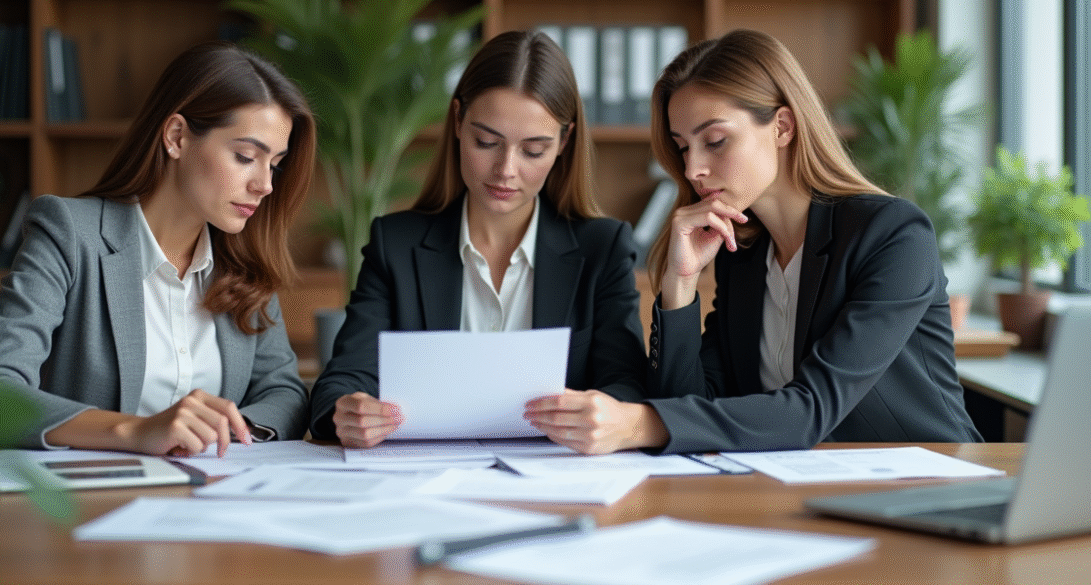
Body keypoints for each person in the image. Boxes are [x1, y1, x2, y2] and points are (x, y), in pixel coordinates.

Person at [524, 29, 981, 454]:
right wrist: (680, 285)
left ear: (782, 127)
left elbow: (811, 410)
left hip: (928, 480)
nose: (691, 169)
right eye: (683, 146)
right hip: (807, 490)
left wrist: (640, 424)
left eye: (716, 141)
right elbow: (692, 404)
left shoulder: (892, 235)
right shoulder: (743, 256)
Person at [308, 30, 648, 447]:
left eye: (533, 150)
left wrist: (608, 417)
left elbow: (627, 385)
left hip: (555, 480)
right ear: (457, 122)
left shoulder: (603, 249)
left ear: (564, 142)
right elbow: (341, 380)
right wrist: (348, 412)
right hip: (423, 482)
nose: (505, 169)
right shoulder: (395, 245)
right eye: (487, 142)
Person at [0, 42, 315, 456]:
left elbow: (284, 391)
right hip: (87, 506)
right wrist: (135, 432)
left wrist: (224, 432)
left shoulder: (245, 259)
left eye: (275, 164)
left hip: (216, 499)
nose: (265, 184)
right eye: (246, 156)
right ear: (176, 137)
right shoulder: (69, 233)